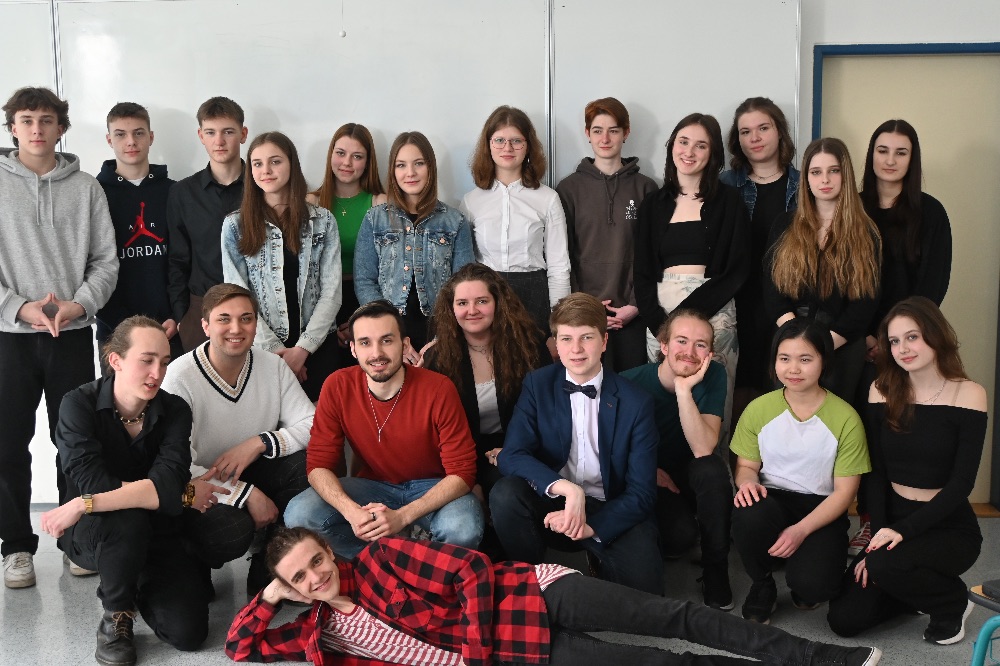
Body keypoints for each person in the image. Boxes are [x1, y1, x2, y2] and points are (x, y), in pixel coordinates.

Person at [226, 527, 884, 666]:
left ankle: (817, 658)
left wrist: (475, 654)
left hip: (533, 597)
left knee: (676, 617)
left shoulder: (379, 559)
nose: (316, 578)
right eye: (300, 578)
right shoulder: (319, 632)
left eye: (316, 561)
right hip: (524, 657)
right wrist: (270, 592)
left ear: (328, 550)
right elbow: (239, 647)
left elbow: (473, 570)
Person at [0, 86, 118, 589]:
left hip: (70, 335)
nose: (36, 129)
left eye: (46, 120)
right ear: (12, 128)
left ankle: (77, 541)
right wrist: (19, 307)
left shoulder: (87, 188)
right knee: (7, 444)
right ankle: (16, 547)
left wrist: (78, 306)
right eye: (26, 120)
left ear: (61, 128)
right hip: (8, 337)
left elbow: (106, 261)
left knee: (74, 442)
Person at [40, 317, 205, 665]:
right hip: (96, 531)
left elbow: (170, 483)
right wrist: (163, 494)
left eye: (164, 361)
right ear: (115, 360)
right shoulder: (77, 404)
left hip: (157, 529)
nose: (157, 373)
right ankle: (117, 615)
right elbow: (96, 484)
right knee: (126, 518)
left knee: (189, 634)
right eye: (147, 360)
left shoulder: (175, 409)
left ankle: (138, 581)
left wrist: (83, 503)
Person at [828, 297, 986, 646]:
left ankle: (953, 603)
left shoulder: (969, 394)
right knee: (844, 620)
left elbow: (962, 483)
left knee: (884, 566)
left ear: (935, 334)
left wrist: (898, 536)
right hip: (892, 516)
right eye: (894, 341)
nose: (903, 349)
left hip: (946, 526)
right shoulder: (881, 389)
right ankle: (908, 591)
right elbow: (875, 473)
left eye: (912, 337)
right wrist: (879, 535)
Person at [283, 300, 483, 559]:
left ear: (405, 345)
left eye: (387, 340)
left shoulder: (439, 388)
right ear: (353, 349)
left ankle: (423, 569)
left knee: (462, 529)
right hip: (373, 487)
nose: (376, 353)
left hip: (434, 487)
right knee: (299, 514)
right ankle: (384, 566)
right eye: (365, 343)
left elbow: (462, 472)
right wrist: (351, 512)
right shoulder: (337, 386)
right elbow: (318, 466)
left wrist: (403, 517)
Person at [491, 293, 662, 595]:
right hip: (554, 502)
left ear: (604, 341)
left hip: (611, 506)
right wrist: (568, 490)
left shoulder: (637, 402)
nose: (576, 349)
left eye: (586, 337)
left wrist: (593, 527)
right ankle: (529, 582)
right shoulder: (537, 385)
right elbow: (512, 454)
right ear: (556, 344)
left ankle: (596, 554)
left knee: (646, 594)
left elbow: (642, 493)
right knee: (506, 494)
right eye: (566, 339)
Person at [160, 283, 313, 595]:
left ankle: (269, 561)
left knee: (307, 464)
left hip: (253, 467)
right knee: (230, 531)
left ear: (256, 324)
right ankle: (193, 558)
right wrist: (246, 494)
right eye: (224, 319)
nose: (236, 328)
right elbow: (176, 466)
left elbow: (312, 423)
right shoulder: (179, 377)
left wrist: (258, 442)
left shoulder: (273, 366)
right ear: (205, 326)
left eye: (246, 318)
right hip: (197, 484)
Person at [849, 120, 953, 557]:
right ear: (871, 155)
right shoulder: (852, 207)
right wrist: (864, 335)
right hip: (856, 343)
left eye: (901, 152)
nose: (890, 160)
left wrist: (895, 339)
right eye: (882, 150)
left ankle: (906, 522)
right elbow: (840, 280)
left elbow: (932, 286)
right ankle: (868, 521)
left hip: (912, 344)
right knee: (863, 433)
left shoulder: (931, 212)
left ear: (913, 160)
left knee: (903, 435)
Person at [731, 318, 870, 625]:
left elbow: (845, 493)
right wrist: (747, 482)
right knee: (747, 509)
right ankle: (762, 584)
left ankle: (803, 571)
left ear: (824, 362)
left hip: (822, 507)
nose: (793, 369)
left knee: (814, 587)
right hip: (772, 500)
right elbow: (746, 467)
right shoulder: (758, 409)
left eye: (805, 359)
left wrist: (800, 531)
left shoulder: (846, 418)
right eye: (784, 358)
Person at [634, 113, 749, 443]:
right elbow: (641, 272)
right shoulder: (652, 204)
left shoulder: (730, 202)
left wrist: (687, 317)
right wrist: (661, 324)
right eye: (683, 142)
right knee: (662, 405)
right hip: (660, 316)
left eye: (701, 145)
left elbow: (737, 269)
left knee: (713, 404)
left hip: (714, 313)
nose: (689, 151)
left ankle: (712, 470)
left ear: (712, 154)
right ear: (672, 146)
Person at [622, 309, 733, 610]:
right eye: (681, 341)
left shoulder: (714, 375)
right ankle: (682, 532)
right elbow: (608, 452)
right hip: (649, 477)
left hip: (691, 472)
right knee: (679, 538)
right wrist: (647, 470)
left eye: (700, 344)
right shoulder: (629, 382)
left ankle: (715, 570)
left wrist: (684, 391)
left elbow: (703, 448)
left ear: (710, 353)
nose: (690, 352)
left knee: (712, 469)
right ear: (664, 346)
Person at [222, 131, 343, 400]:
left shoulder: (323, 221)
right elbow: (237, 296)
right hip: (261, 347)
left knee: (319, 422)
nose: (265, 170)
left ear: (291, 164)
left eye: (275, 161)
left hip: (318, 346)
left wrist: (302, 350)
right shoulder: (235, 225)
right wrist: (276, 352)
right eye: (257, 163)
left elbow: (332, 292)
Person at [763, 138, 881, 402]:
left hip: (842, 344)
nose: (824, 179)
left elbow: (865, 303)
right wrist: (797, 344)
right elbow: (772, 293)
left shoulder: (866, 232)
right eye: (816, 172)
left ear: (845, 175)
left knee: (832, 420)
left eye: (833, 171)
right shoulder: (784, 225)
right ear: (806, 178)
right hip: (789, 340)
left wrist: (821, 346)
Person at [422, 263, 548, 499]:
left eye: (482, 301)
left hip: (523, 450)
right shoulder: (437, 358)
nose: (472, 310)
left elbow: (547, 413)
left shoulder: (529, 346)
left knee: (507, 491)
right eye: (462, 303)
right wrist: (465, 480)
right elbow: (433, 433)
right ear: (451, 308)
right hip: (462, 458)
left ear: (498, 302)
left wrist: (515, 451)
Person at [556, 96, 658, 372]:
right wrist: (583, 305)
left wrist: (636, 305)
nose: (605, 138)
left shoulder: (646, 188)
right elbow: (563, 254)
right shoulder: (568, 189)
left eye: (613, 130)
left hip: (633, 314)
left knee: (631, 386)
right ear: (587, 133)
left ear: (626, 133)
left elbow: (654, 253)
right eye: (598, 130)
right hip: (583, 317)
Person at [354, 131, 474, 354]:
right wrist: (391, 336)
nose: (410, 173)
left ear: (430, 167)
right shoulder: (375, 219)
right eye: (401, 165)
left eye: (419, 163)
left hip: (441, 333)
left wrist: (441, 338)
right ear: (393, 171)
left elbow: (464, 286)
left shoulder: (455, 221)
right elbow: (364, 281)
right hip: (387, 333)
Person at [720, 97, 800, 411]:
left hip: (788, 302)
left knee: (782, 387)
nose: (754, 137)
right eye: (745, 131)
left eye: (763, 128)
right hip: (737, 301)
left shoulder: (803, 184)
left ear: (779, 131)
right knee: (737, 388)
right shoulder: (725, 185)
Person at [461, 106, 570, 335]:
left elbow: (559, 267)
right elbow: (464, 268)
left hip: (533, 296)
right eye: (499, 140)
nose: (507, 148)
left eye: (516, 141)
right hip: (485, 296)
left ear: (528, 145)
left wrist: (559, 325)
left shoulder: (548, 199)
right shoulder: (471, 202)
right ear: (488, 145)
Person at [96, 102, 179, 364]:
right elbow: (91, 266)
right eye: (121, 134)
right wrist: (122, 327)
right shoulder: (94, 194)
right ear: (109, 140)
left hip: (171, 327)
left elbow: (185, 260)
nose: (131, 141)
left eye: (139, 133)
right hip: (114, 331)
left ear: (151, 137)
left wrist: (177, 315)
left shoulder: (176, 192)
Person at [167, 96, 247, 352]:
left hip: (255, 307)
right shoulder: (182, 193)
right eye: (211, 132)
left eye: (228, 132)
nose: (219, 141)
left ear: (243, 134)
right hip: (199, 309)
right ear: (201, 136)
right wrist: (182, 315)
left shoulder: (262, 187)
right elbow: (177, 259)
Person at [307, 123, 387, 367]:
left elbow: (387, 270)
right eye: (340, 153)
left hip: (366, 298)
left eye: (357, 156)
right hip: (318, 301)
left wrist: (362, 317)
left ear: (368, 162)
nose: (347, 163)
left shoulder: (380, 203)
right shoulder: (311, 203)